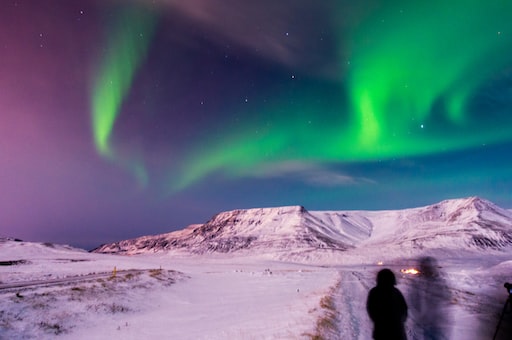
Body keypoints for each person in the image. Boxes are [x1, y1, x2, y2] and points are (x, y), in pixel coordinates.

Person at [367, 268, 408, 340]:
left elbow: (371, 310)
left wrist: (378, 321)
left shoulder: (374, 292)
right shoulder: (396, 292)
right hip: (397, 331)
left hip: (381, 331)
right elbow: (404, 309)